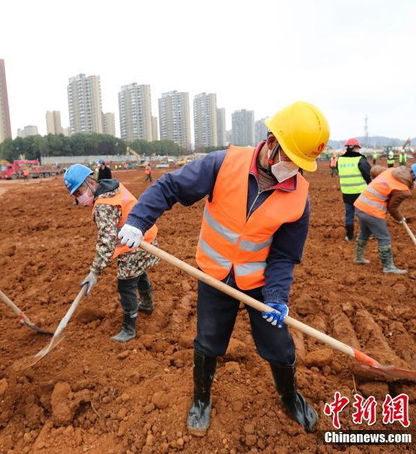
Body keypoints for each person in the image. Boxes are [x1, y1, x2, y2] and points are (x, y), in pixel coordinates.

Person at [118, 101, 329, 435]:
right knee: (209, 341)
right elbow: (170, 186)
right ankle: (201, 398)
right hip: (214, 276)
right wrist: (139, 221)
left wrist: (276, 296)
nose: (294, 168)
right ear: (271, 141)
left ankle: (290, 398)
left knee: (279, 347)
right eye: (291, 157)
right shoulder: (224, 163)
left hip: (258, 280)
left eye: (301, 163)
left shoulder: (298, 197)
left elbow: (284, 256)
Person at [63, 164, 159, 342]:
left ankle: (129, 329)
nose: (79, 198)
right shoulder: (113, 186)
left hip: (135, 244)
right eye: (75, 195)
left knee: (126, 284)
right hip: (145, 235)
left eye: (80, 191)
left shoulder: (104, 206)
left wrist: (94, 271)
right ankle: (147, 304)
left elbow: (106, 242)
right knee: (139, 272)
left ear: (90, 181)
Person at [353, 160, 416, 273]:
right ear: (414, 177)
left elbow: (374, 169)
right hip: (372, 210)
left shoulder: (392, 170)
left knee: (365, 232)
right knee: (384, 238)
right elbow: (392, 208)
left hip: (360, 205)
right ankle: (388, 267)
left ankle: (358, 258)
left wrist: (375, 182)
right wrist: (400, 218)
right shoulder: (403, 190)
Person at [337, 138, 371, 241]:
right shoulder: (361, 160)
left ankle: (349, 236)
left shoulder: (340, 160)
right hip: (360, 193)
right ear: (355, 148)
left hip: (347, 193)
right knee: (363, 214)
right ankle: (365, 235)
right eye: (358, 148)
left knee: (349, 215)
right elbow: (368, 175)